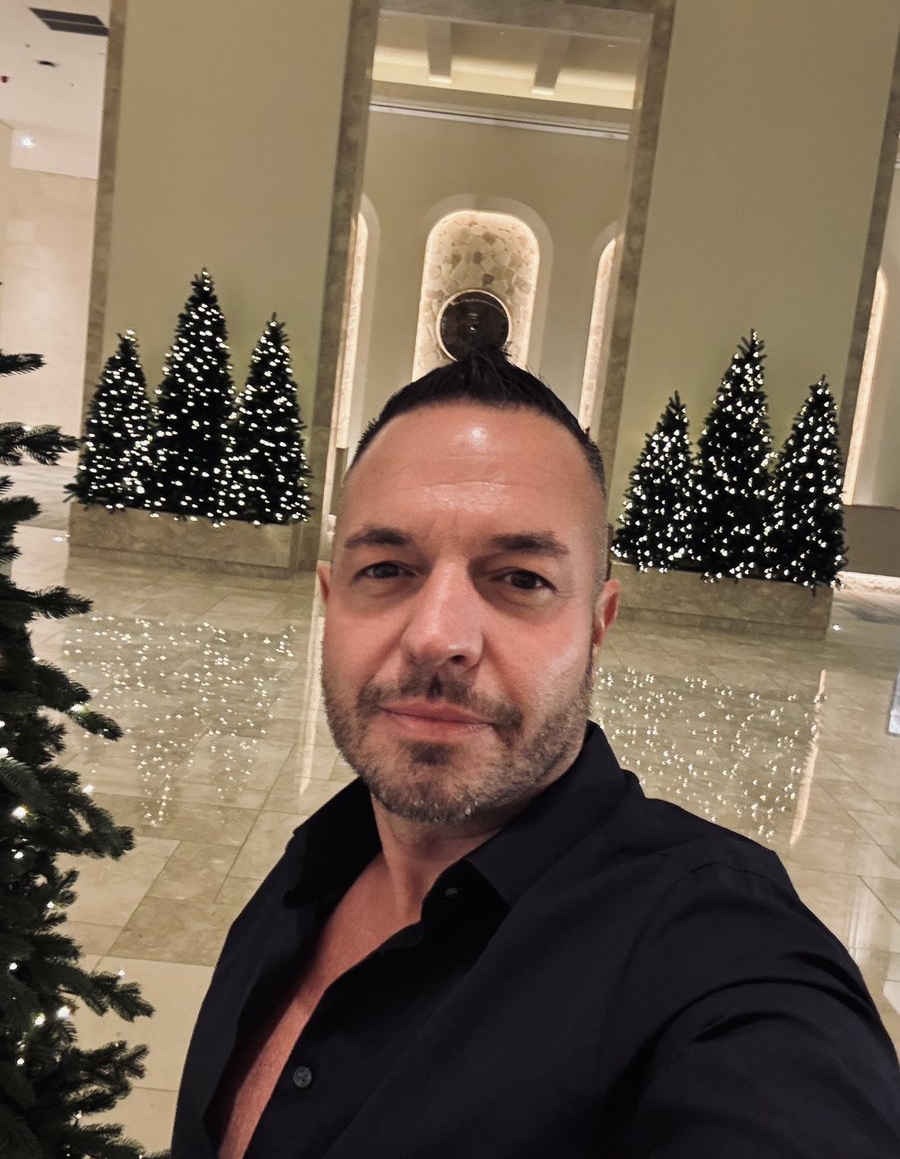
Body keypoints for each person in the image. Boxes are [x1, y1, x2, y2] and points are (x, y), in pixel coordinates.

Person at [172, 350, 900, 1159]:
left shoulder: (717, 953)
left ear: (597, 625)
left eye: (519, 579)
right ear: (329, 600)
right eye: (386, 569)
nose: (436, 637)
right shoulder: (315, 867)